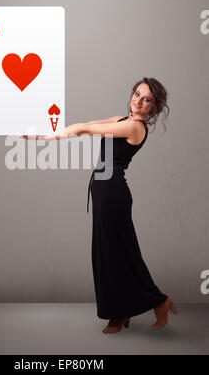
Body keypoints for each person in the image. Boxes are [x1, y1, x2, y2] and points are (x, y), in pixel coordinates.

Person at [20, 77, 178, 334]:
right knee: (110, 253)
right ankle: (126, 310)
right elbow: (87, 124)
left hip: (113, 194)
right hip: (103, 192)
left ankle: (152, 303)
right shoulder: (120, 120)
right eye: (137, 94)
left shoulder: (135, 128)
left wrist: (46, 137)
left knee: (115, 254)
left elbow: (86, 130)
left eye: (146, 99)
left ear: (153, 107)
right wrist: (50, 133)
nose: (138, 101)